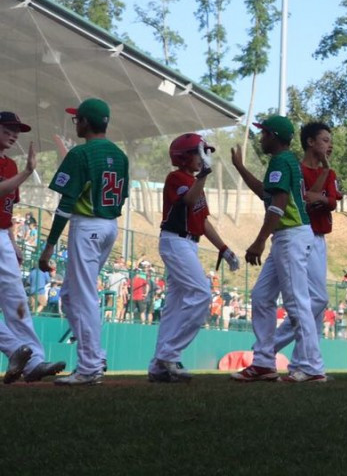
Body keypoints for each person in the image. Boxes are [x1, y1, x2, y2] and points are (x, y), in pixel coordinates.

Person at [39, 99, 129, 386]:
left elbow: (66, 204)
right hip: (110, 226)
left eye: (77, 119)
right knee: (69, 296)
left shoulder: (80, 154)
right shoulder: (120, 155)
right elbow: (122, 196)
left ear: (86, 122)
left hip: (87, 225)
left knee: (83, 296)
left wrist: (49, 246)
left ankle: (89, 367)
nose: (75, 123)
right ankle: (96, 356)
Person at [229, 115, 326, 383]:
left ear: (274, 136)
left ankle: (312, 367)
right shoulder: (285, 160)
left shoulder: (281, 161)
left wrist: (259, 240)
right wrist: (240, 168)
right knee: (261, 296)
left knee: (297, 302)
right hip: (288, 235)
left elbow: (278, 204)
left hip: (291, 235)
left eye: (264, 133)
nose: (261, 138)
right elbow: (266, 192)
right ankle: (263, 362)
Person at [148, 133, 239, 383]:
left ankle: (158, 366)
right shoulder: (176, 177)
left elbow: (203, 221)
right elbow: (188, 200)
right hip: (175, 241)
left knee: (174, 307)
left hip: (188, 244)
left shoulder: (194, 180)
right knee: (201, 294)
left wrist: (223, 248)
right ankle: (168, 355)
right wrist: (204, 176)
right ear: (183, 157)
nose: (203, 157)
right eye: (199, 152)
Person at [0, 111, 65, 383]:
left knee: (17, 303)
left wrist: (12, 241)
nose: (14, 134)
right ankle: (16, 350)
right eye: (8, 128)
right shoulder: (18, 169)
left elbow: (7, 207)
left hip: (3, 237)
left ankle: (33, 362)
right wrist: (28, 172)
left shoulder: (10, 164)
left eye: (17, 130)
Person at [270, 121, 343, 354]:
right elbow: (306, 200)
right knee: (314, 299)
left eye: (330, 141)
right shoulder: (297, 169)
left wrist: (321, 197)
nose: (330, 145)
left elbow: (332, 200)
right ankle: (273, 348)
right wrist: (320, 196)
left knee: (317, 305)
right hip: (300, 235)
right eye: (325, 140)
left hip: (319, 238)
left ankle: (306, 357)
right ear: (310, 142)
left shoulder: (329, 172)